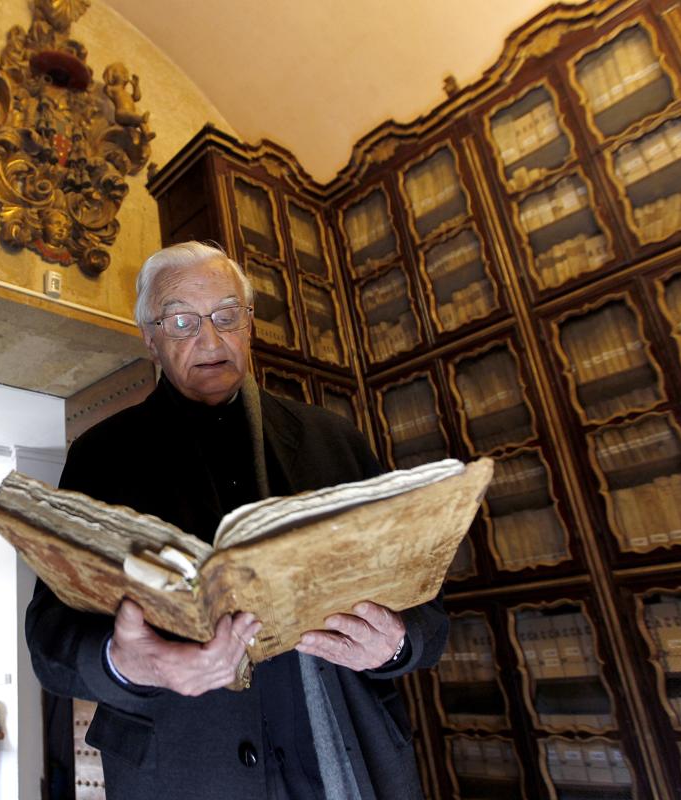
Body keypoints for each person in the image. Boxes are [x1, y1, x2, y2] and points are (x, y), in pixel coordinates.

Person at [24, 241, 448, 799]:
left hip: (347, 753)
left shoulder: (333, 439)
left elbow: (425, 607)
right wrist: (126, 662)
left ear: (248, 326)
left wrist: (394, 645)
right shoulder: (102, 456)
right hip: (181, 768)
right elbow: (49, 640)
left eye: (227, 316)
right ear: (150, 338)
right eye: (182, 320)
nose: (211, 339)